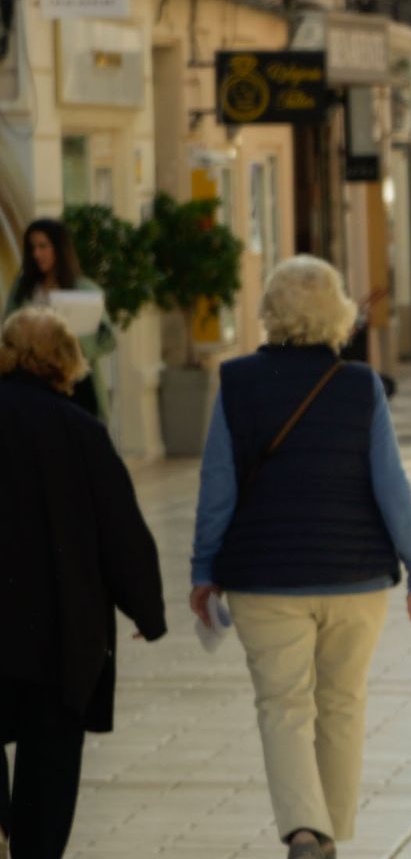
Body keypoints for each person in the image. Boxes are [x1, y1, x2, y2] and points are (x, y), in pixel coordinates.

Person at [189, 256, 411, 859]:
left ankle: (305, 831)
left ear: (269, 311)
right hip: (355, 578)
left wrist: (203, 569)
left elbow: (217, 486)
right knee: (342, 704)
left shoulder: (237, 382)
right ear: (339, 313)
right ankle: (330, 833)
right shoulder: (360, 385)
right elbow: (392, 486)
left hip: (264, 579)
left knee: (283, 706)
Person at [0, 308, 166, 859]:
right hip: (61, 634)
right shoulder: (82, 432)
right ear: (66, 360)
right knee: (50, 762)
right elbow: (120, 530)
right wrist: (146, 609)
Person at [3, 219, 117, 422]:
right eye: (32, 248)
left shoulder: (85, 289)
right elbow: (7, 333)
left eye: (43, 246)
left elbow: (107, 339)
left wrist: (74, 347)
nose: (37, 254)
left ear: (59, 248)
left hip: (75, 384)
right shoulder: (22, 289)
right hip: (31, 384)